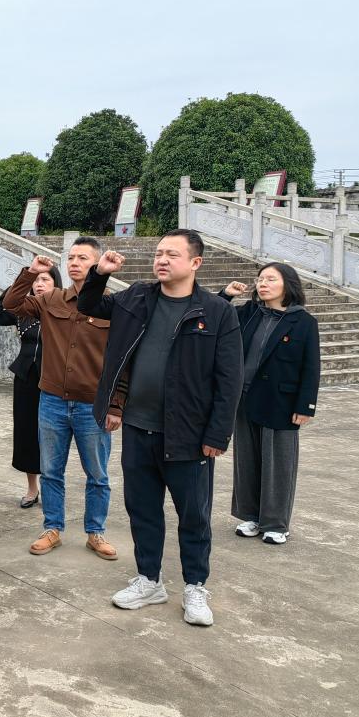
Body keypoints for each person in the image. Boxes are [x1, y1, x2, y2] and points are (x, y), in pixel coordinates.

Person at [78, 229, 243, 627]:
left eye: (172, 254)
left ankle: (195, 586)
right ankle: (149, 580)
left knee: (194, 516)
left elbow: (230, 380)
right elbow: (89, 305)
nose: (162, 260)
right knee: (143, 510)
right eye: (158, 253)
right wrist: (99, 273)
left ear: (195, 262)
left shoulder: (216, 312)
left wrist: (217, 434)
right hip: (138, 427)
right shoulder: (137, 297)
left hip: (189, 435)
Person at [2, 239, 119, 561]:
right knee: (51, 471)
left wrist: (116, 404)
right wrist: (30, 273)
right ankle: (52, 528)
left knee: (97, 475)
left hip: (92, 405)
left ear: (98, 264)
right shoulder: (51, 299)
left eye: (83, 258)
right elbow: (11, 304)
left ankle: (95, 532)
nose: (75, 263)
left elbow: (124, 359)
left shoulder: (112, 305)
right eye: (71, 257)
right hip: (52, 401)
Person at [221, 264, 320, 545]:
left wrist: (306, 406)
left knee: (278, 465)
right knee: (247, 460)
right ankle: (251, 516)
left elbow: (311, 367)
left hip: (282, 403)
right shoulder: (248, 313)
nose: (262, 284)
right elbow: (213, 314)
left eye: (270, 279)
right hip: (245, 398)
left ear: (287, 284)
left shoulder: (303, 322)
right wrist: (227, 295)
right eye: (260, 279)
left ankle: (276, 523)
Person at [0, 265, 63, 509]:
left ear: (56, 283)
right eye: (36, 280)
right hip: (25, 378)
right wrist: (23, 279)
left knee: (52, 435)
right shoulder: (23, 309)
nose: (39, 284)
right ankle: (32, 488)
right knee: (26, 434)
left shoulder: (64, 309)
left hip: (53, 380)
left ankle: (52, 487)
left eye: (45, 279)